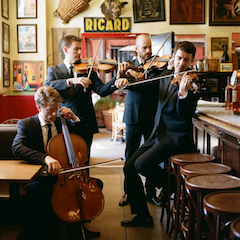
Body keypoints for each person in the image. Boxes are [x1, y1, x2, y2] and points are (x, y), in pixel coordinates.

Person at [120, 41, 199, 227]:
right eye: (179, 58)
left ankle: (171, 184)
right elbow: (142, 85)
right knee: (129, 166)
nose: (181, 63)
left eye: (186, 60)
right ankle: (143, 215)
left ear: (192, 61)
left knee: (140, 164)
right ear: (173, 57)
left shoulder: (193, 83)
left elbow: (184, 115)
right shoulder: (164, 75)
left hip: (174, 137)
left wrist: (183, 94)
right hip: (157, 133)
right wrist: (125, 78)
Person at [12, 86, 100, 240]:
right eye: (50, 110)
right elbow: (17, 147)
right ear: (38, 107)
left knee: (94, 186)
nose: (54, 114)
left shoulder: (62, 122)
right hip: (41, 176)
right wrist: (45, 158)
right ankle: (51, 234)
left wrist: (75, 118)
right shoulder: (26, 124)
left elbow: (86, 137)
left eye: (56, 109)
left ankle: (76, 229)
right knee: (38, 191)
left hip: (67, 176)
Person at [45, 35, 126, 157]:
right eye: (76, 49)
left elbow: (102, 90)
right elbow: (48, 86)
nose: (79, 52)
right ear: (66, 50)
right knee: (63, 157)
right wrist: (71, 81)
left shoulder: (88, 70)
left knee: (85, 157)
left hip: (85, 121)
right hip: (63, 120)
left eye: (80, 49)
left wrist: (117, 78)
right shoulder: (54, 70)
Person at [118, 35, 165, 207]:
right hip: (133, 116)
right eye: (144, 48)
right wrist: (129, 72)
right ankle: (129, 192)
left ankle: (150, 193)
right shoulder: (126, 66)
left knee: (150, 158)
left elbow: (153, 85)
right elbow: (126, 84)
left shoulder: (157, 66)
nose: (149, 51)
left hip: (152, 116)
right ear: (136, 49)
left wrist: (142, 76)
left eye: (150, 47)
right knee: (130, 155)